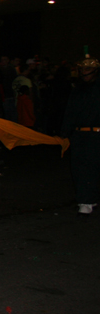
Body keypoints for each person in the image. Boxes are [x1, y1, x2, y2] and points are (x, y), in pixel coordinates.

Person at [61, 56, 100, 215]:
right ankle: (86, 198)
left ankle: (88, 199)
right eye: (83, 69)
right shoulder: (78, 89)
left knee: (90, 167)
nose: (85, 73)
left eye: (88, 70)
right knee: (79, 167)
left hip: (96, 134)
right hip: (79, 134)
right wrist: (64, 132)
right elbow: (70, 111)